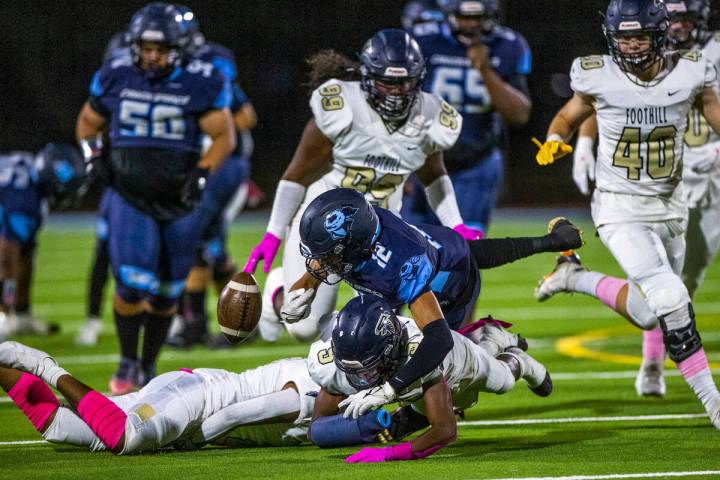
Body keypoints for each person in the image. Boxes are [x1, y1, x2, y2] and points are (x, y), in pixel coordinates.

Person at [532, 0, 720, 428]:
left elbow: (714, 114)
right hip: (618, 205)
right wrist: (557, 138)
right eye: (623, 38)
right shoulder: (598, 73)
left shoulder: (691, 71)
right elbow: (568, 114)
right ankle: (712, 402)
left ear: (660, 35)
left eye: (639, 37)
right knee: (670, 295)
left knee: (649, 311)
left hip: (671, 205)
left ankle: (574, 277)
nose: (632, 47)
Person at [243, 28, 483, 344]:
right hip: (326, 223)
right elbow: (296, 175)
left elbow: (434, 176)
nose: (397, 93)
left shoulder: (430, 115)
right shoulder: (342, 108)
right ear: (368, 79)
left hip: (382, 229)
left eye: (404, 83)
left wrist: (457, 225)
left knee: (384, 327)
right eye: (388, 82)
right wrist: (273, 232)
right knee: (304, 329)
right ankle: (278, 289)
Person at [287, 188, 581, 414]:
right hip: (443, 247)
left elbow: (439, 339)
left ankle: (498, 344)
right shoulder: (364, 231)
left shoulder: (400, 267)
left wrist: (390, 390)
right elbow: (336, 258)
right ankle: (553, 242)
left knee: (445, 391)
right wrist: (308, 285)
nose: (319, 262)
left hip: (450, 287)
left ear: (355, 246)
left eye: (327, 255)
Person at [74, 2, 235, 394]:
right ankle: (128, 359)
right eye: (145, 47)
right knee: (131, 284)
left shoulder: (202, 79)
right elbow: (87, 123)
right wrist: (93, 157)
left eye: (159, 49)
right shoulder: (115, 74)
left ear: (180, 48)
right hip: (131, 195)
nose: (151, 56)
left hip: (180, 200)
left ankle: (147, 364)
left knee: (168, 290)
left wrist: (202, 171)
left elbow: (224, 135)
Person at [307, 295, 551, 462]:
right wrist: (351, 429)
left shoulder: (421, 355)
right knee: (404, 419)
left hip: (456, 361)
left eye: (368, 369)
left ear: (391, 349)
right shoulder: (338, 361)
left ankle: (514, 355)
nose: (361, 379)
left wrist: (390, 454)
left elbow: (445, 430)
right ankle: (490, 339)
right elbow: (316, 428)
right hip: (412, 384)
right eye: (353, 371)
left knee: (503, 381)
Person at [0, 340, 317, 453]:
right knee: (126, 437)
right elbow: (237, 415)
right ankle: (44, 366)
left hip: (192, 390)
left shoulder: (334, 376)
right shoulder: (319, 385)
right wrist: (194, 441)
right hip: (202, 400)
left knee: (62, 429)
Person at [165, 5, 258, 349]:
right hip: (198, 167)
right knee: (208, 247)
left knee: (193, 240)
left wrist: (208, 132)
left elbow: (245, 115)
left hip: (222, 166)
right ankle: (237, 320)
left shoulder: (209, 67)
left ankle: (199, 324)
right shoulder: (172, 72)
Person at [401, 0, 532, 236]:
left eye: (478, 17)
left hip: (475, 163)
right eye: (465, 17)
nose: (472, 24)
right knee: (413, 248)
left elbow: (519, 115)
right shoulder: (422, 41)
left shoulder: (508, 45)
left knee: (468, 249)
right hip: (420, 161)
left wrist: (485, 69)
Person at [0, 144, 87, 339]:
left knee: (26, 254)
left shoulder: (30, 167)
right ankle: (5, 315)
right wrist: (5, 307)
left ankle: (22, 315)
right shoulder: (24, 203)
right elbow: (7, 263)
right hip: (12, 208)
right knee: (10, 264)